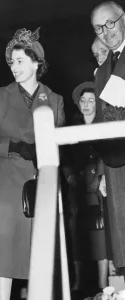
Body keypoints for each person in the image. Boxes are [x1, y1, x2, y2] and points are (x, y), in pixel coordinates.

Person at [0, 27, 65, 300]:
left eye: (20, 62)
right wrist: (12, 146)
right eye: (12, 62)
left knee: (37, 249)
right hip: (5, 185)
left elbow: (60, 142)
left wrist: (43, 149)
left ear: (36, 62)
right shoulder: (0, 96)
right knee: (5, 251)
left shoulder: (54, 100)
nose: (14, 68)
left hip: (39, 184)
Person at [91, 1, 125, 271]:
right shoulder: (101, 72)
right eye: (98, 28)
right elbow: (103, 123)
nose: (105, 31)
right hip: (116, 165)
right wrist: (102, 171)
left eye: (110, 23)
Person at [68, 82, 109, 293]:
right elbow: (65, 158)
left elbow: (107, 154)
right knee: (75, 229)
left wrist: (99, 175)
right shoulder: (72, 130)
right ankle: (79, 281)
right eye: (83, 101)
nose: (86, 104)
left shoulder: (104, 125)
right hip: (77, 188)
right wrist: (69, 175)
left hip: (98, 188)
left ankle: (103, 282)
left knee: (100, 228)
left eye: (91, 100)